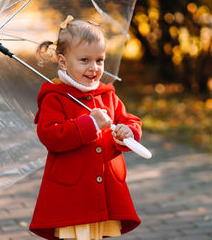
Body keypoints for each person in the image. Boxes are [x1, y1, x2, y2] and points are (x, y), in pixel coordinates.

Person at [29, 15, 142, 240]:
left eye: (99, 60)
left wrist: (127, 132)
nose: (94, 68)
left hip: (105, 189)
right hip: (74, 192)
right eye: (84, 60)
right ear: (63, 62)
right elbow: (51, 135)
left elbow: (129, 119)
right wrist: (90, 123)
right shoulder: (55, 97)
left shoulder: (106, 94)